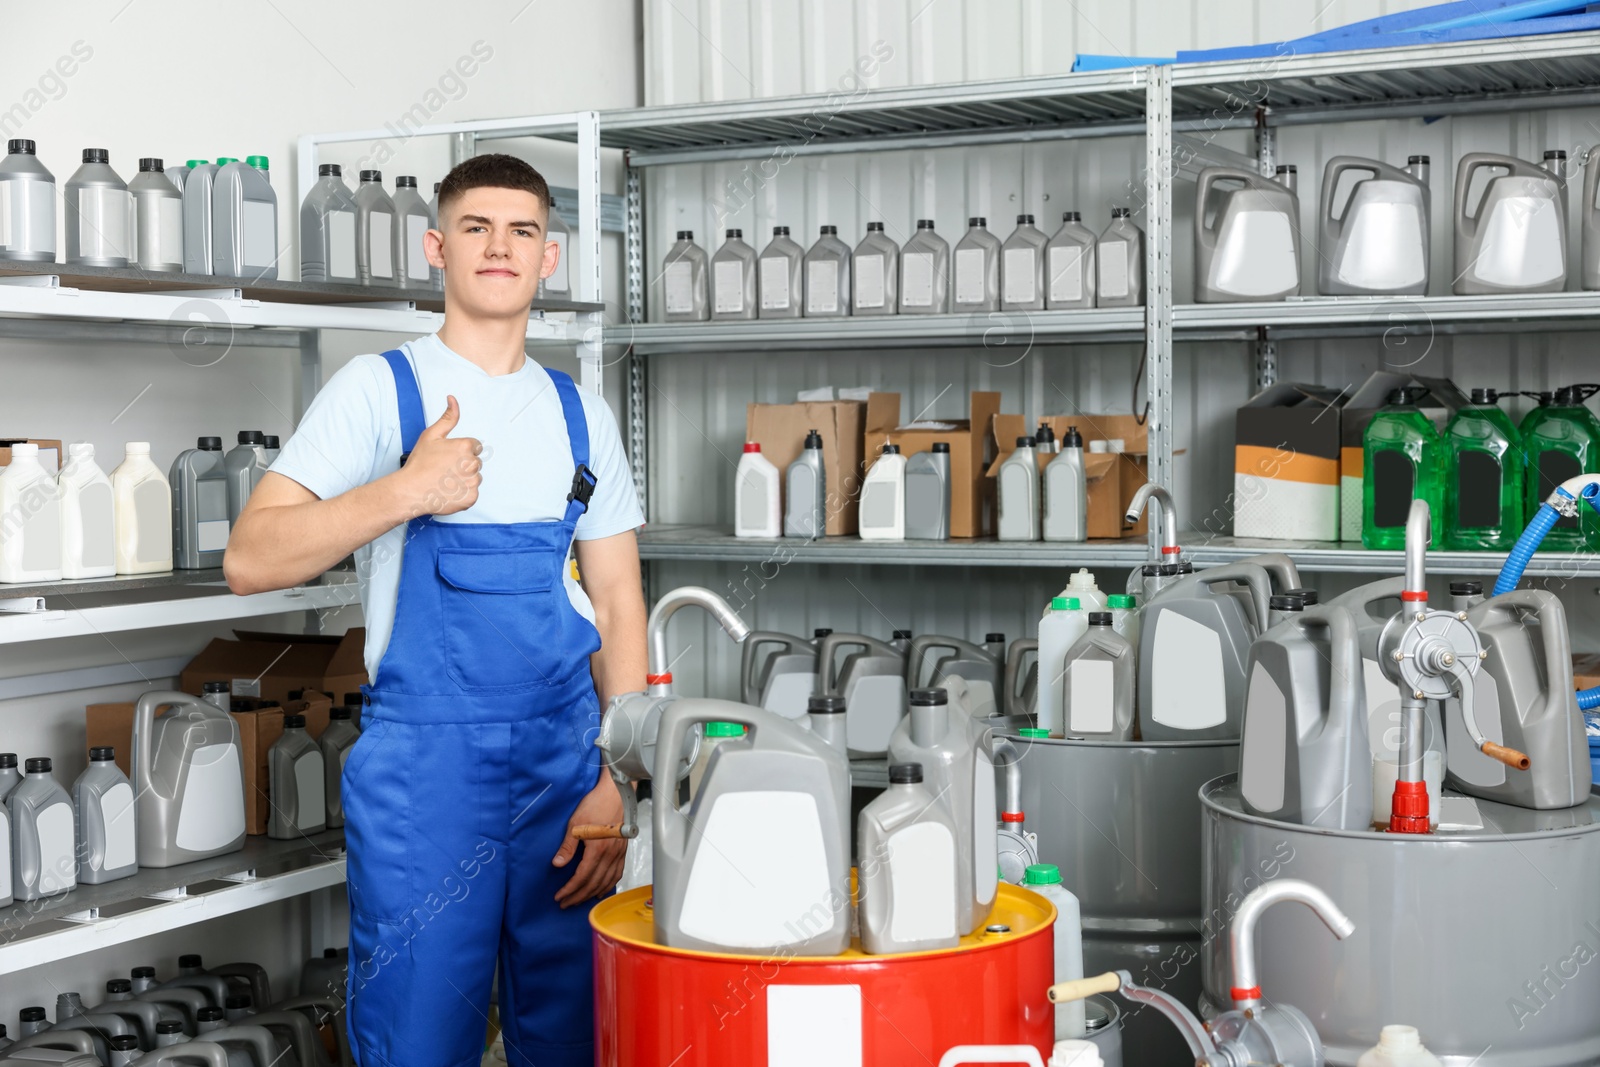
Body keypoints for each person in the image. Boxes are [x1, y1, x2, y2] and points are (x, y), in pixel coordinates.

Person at [225, 153, 645, 1067]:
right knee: (418, 1033)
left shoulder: (582, 416)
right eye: (477, 227)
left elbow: (617, 599)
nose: (501, 246)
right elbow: (250, 558)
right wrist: (406, 490)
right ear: (435, 249)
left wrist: (623, 775)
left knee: (573, 1031)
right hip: (427, 778)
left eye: (523, 231)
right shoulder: (381, 391)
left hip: (566, 773)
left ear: (550, 259)